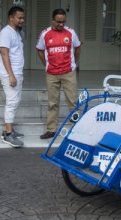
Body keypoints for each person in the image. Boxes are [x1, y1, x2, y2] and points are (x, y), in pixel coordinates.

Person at [36, 8, 81, 139]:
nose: (61, 24)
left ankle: (77, 127)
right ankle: (51, 129)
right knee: (52, 103)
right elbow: (39, 49)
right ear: (52, 20)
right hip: (52, 74)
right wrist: (46, 64)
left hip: (68, 72)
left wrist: (74, 63)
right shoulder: (45, 34)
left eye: (63, 22)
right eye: (58, 22)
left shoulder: (71, 33)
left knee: (72, 101)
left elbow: (78, 47)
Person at [0, 6, 25, 147]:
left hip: (17, 73)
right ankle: (8, 135)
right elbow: (4, 54)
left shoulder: (16, 33)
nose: (22, 20)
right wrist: (11, 75)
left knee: (15, 100)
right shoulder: (6, 33)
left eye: (22, 18)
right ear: (11, 17)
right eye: (19, 18)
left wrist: (18, 75)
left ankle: (9, 129)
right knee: (12, 101)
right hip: (9, 73)